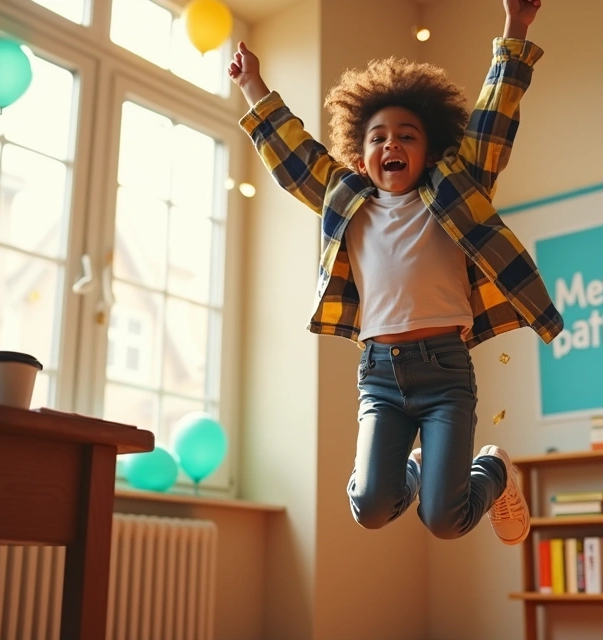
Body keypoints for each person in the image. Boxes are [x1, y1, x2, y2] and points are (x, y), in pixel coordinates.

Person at [229, 0, 562, 545]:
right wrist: (253, 85)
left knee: (444, 519)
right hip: (381, 374)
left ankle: (495, 469)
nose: (392, 144)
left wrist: (516, 27)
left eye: (407, 135)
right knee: (370, 506)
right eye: (379, 137)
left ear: (430, 150)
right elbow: (295, 157)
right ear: (360, 159)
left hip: (446, 373)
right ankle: (412, 471)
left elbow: (493, 119)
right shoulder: (345, 199)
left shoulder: (456, 186)